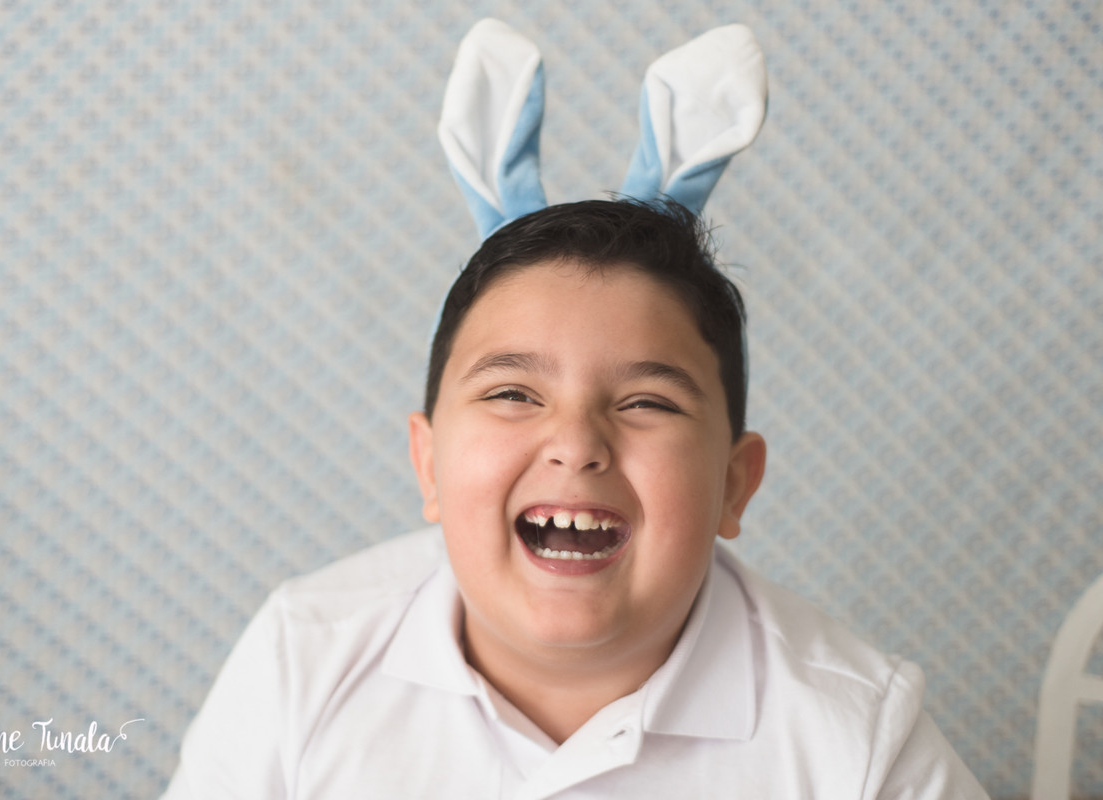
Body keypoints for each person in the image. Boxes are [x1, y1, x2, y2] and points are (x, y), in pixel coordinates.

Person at [161, 198, 988, 798]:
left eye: (647, 403)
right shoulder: (303, 656)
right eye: (514, 394)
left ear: (735, 484)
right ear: (430, 466)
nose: (577, 443)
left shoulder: (856, 738)